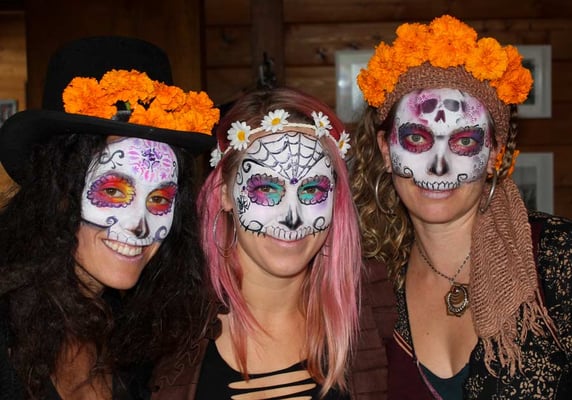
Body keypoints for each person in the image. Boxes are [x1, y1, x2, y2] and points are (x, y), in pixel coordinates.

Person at [351, 14, 572, 399]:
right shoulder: (370, 284)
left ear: (493, 156)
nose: (439, 167)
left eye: (465, 142)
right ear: (386, 150)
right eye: (417, 138)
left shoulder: (557, 255)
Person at [0, 36, 219, 399]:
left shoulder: (137, 336)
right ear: (58, 192)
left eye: (161, 198)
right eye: (114, 191)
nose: (140, 225)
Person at [150, 87, 362, 399]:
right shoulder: (165, 326)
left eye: (313, 190)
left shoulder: (370, 315)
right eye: (265, 189)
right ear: (224, 194)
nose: (293, 218)